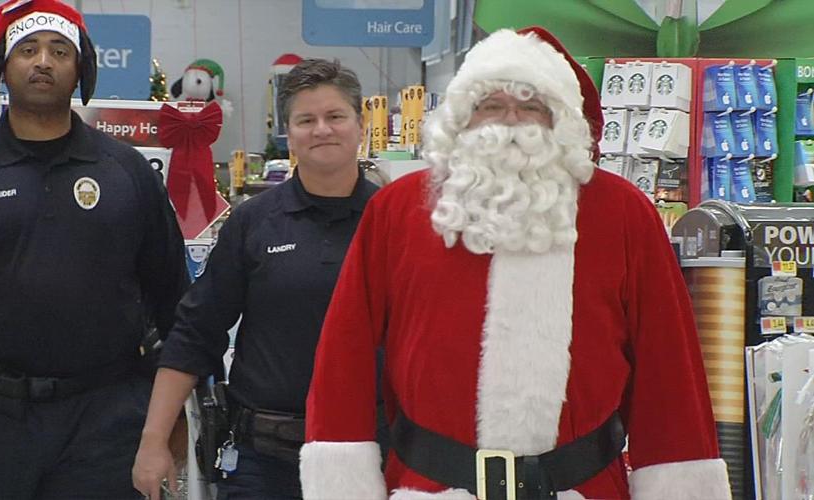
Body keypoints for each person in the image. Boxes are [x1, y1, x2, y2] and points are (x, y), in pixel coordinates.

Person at [299, 27, 732, 499]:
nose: (510, 122)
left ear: (562, 122)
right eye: (491, 105)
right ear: (462, 118)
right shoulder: (399, 211)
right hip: (430, 485)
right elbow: (345, 359)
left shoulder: (623, 213)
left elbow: (667, 370)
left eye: (530, 106)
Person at [0, 0, 189, 498]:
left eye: (59, 51)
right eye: (27, 49)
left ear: (81, 70)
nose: (42, 61)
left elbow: (173, 297)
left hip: (106, 419)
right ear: (2, 67)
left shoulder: (127, 172)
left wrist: (169, 416)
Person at [132, 58, 381, 500]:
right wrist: (153, 441)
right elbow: (195, 332)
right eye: (306, 119)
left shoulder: (393, 221)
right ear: (289, 132)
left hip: (371, 458)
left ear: (360, 125)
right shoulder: (254, 222)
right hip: (263, 463)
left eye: (335, 116)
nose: (322, 129)